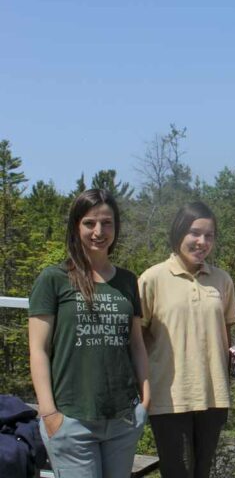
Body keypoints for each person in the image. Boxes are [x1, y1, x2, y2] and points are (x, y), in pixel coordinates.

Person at [28, 188, 150, 478]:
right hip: (71, 419)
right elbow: (38, 349)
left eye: (107, 223)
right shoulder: (54, 279)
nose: (99, 231)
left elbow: (136, 345)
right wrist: (49, 414)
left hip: (122, 419)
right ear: (75, 226)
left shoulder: (127, 281)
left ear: (116, 227)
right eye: (89, 223)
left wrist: (145, 402)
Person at [138, 202, 235, 478]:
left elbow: (226, 335)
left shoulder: (222, 280)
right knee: (177, 472)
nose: (201, 242)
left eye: (209, 236)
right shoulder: (152, 279)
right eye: (194, 233)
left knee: (203, 471)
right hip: (170, 397)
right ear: (178, 233)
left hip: (214, 395)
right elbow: (138, 339)